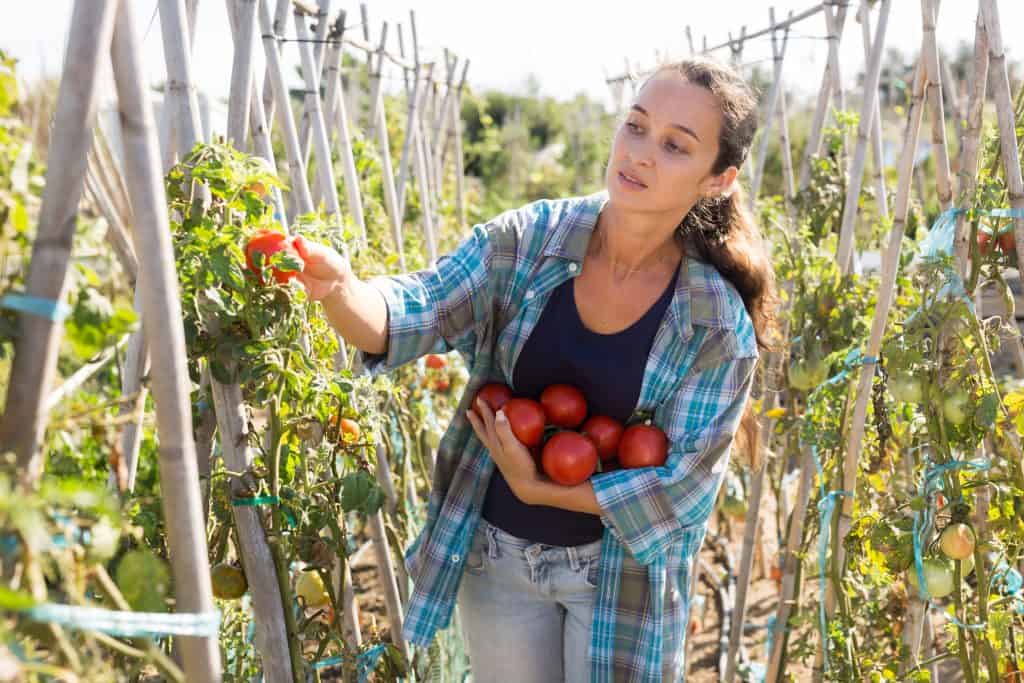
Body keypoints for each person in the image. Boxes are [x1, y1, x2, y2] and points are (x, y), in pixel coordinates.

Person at [292, 56, 777, 682]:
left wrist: (539, 486)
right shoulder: (526, 243)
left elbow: (681, 489)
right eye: (635, 127)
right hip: (497, 561)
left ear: (719, 179)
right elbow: (414, 311)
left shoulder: (713, 322)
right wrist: (339, 289)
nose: (641, 155)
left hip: (619, 577)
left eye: (676, 146)